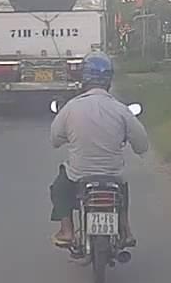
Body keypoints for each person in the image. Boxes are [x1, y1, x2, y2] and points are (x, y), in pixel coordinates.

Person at [49, 53, 150, 248]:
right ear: (109, 80)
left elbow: (55, 139)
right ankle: (125, 229)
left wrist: (69, 136)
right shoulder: (121, 110)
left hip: (78, 175)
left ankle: (67, 231)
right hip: (112, 175)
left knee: (59, 188)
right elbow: (142, 144)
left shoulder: (70, 108)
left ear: (84, 78)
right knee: (122, 188)